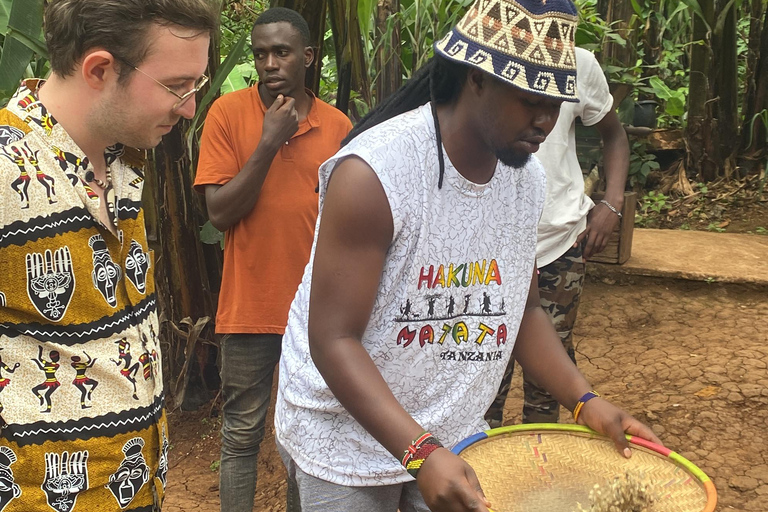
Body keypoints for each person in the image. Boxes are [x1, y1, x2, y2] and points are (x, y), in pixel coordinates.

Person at [274, 1, 660, 511]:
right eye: (529, 99)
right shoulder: (375, 174)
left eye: (556, 104)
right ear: (477, 79)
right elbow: (333, 339)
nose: (546, 121)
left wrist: (585, 401)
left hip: (450, 433)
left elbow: (521, 312)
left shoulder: (526, 179)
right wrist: (420, 451)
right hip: (343, 440)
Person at [0, 1, 216, 510]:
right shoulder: (7, 168)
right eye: (176, 86)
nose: (189, 107)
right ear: (100, 69)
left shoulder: (125, 161)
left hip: (138, 484)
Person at [193, 7, 352, 512]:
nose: (269, 63)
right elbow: (219, 213)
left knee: (306, 438)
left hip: (318, 313)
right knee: (242, 434)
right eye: (260, 54)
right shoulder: (226, 114)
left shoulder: (339, 127)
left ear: (307, 57)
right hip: (249, 305)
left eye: (281, 52)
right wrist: (267, 142)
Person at [485, 46, 630, 427]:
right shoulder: (487, 58)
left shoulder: (579, 63)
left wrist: (612, 204)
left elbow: (614, 135)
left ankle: (542, 465)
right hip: (489, 250)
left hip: (558, 244)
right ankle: (483, 470)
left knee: (548, 376)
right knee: (485, 373)